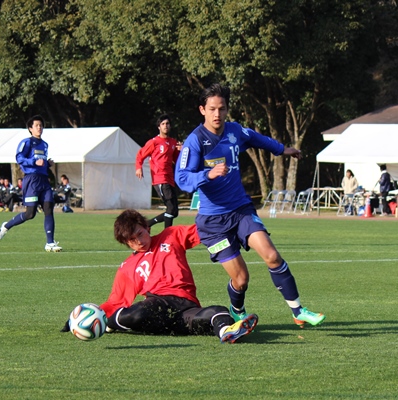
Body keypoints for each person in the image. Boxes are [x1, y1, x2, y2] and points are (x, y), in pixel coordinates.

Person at [175, 83, 325, 328]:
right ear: (202, 110)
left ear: (226, 110)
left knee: (272, 255)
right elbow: (181, 178)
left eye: (221, 109)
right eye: (212, 109)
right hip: (213, 224)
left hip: (241, 210)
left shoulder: (234, 131)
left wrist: (282, 149)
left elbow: (256, 138)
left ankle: (298, 311)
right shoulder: (195, 141)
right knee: (241, 279)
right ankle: (238, 311)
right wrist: (208, 175)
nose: (217, 114)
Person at [62, 209, 258, 343]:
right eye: (131, 240)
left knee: (216, 311)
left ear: (146, 227)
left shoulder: (171, 235)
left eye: (140, 234)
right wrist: (87, 317)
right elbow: (116, 300)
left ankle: (227, 332)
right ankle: (105, 324)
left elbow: (204, 231)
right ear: (126, 243)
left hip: (185, 307)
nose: (138, 241)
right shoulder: (127, 267)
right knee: (133, 313)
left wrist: (231, 223)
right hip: (156, 306)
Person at [0, 115, 62, 252]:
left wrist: (47, 164)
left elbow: (41, 162)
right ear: (30, 128)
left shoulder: (45, 144)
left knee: (49, 209)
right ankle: (6, 226)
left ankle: (50, 243)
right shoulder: (26, 142)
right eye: (37, 125)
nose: (39, 127)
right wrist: (33, 162)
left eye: (41, 125)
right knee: (30, 214)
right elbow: (19, 158)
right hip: (31, 180)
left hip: (43, 180)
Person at [135, 114, 181, 228]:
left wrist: (183, 150)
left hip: (170, 179)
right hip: (160, 179)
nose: (165, 126)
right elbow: (140, 155)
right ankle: (167, 236)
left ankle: (148, 224)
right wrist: (138, 167)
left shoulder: (173, 142)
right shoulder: (154, 142)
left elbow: (177, 160)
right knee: (170, 209)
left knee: (174, 211)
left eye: (167, 124)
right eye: (163, 124)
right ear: (159, 127)